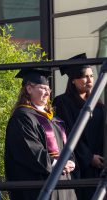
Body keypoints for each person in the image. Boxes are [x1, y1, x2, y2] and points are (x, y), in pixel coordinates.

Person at [4, 68, 77, 200]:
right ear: (29, 89)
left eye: (48, 89)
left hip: (63, 184)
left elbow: (66, 146)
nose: (47, 93)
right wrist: (58, 164)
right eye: (42, 88)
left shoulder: (54, 118)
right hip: (39, 186)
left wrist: (70, 161)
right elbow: (30, 151)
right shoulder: (22, 118)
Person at [53, 53, 104, 200]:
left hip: (100, 165)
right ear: (73, 80)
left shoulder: (98, 104)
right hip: (79, 166)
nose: (89, 80)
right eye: (84, 76)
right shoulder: (62, 103)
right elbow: (67, 133)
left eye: (91, 76)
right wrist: (89, 157)